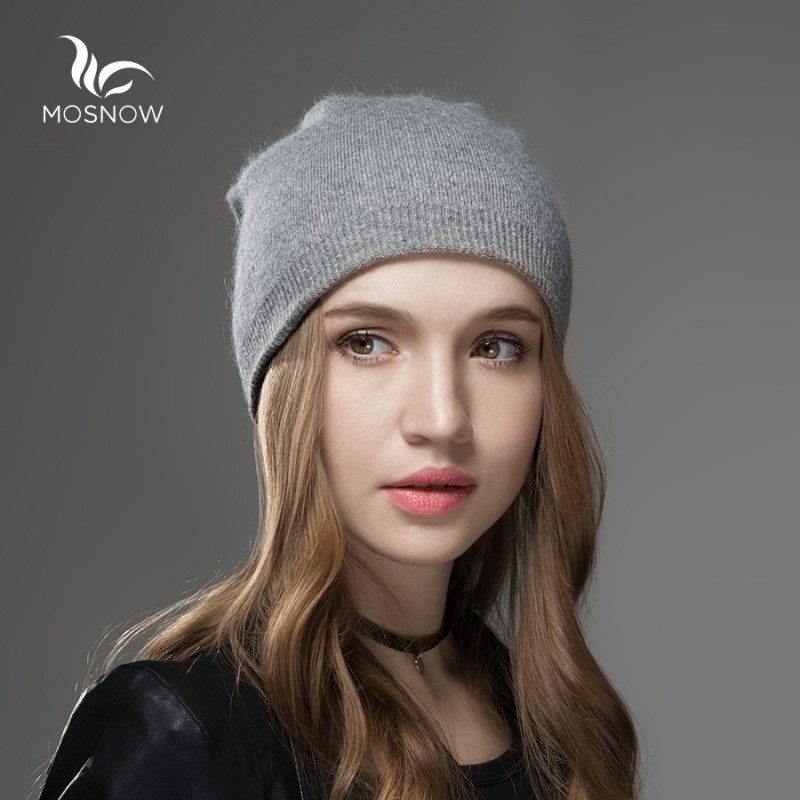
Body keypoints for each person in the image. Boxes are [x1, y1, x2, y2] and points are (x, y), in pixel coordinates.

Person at [38, 92, 639, 800]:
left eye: (496, 346)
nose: (443, 418)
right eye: (367, 342)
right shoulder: (183, 737)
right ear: (283, 389)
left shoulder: (554, 724)